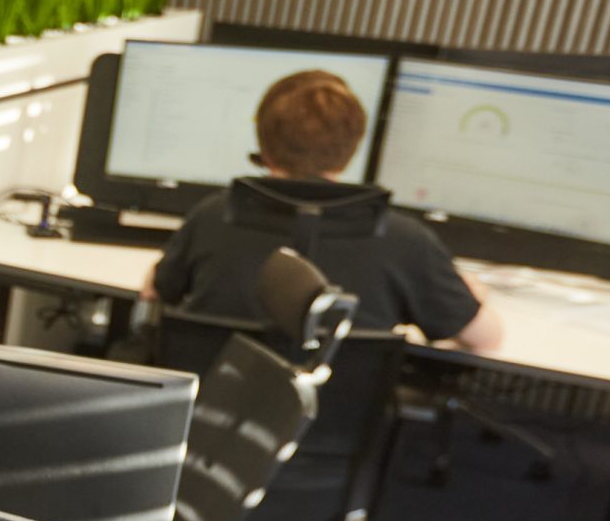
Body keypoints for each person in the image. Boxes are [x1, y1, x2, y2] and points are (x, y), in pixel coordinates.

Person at [142, 69, 505, 352]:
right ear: (351, 150)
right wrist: (467, 298)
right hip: (341, 421)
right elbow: (487, 339)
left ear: (264, 146)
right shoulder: (405, 240)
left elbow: (155, 290)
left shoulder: (213, 215)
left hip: (216, 410)